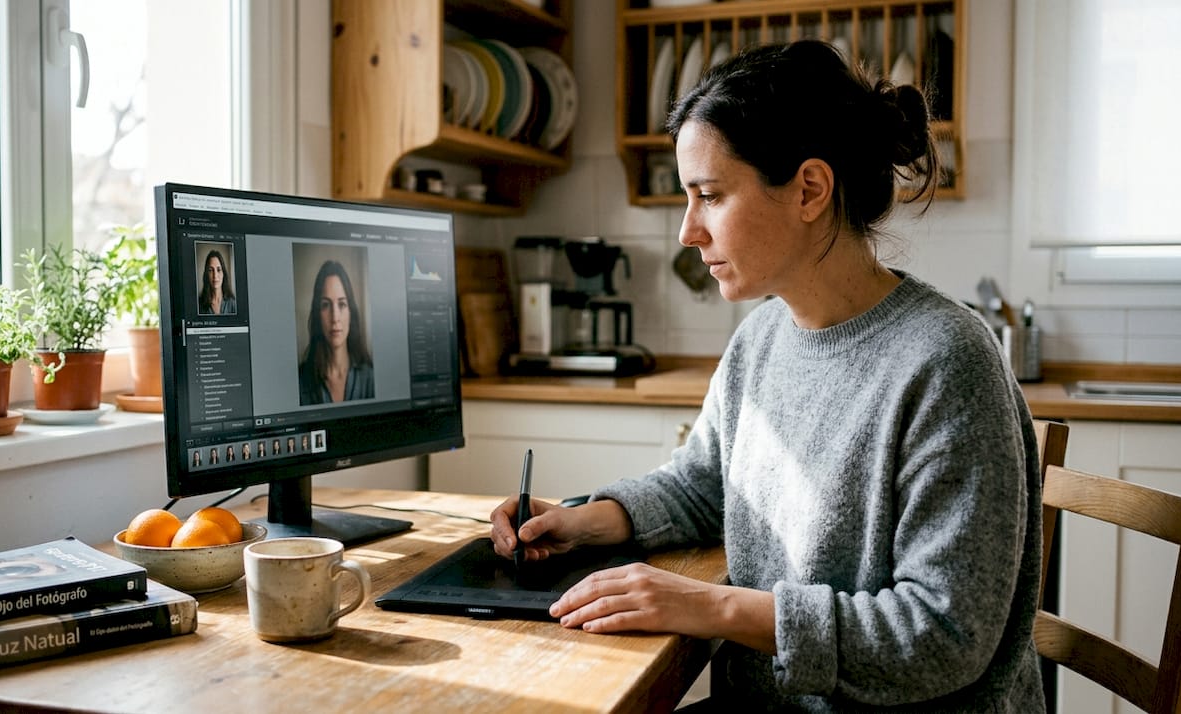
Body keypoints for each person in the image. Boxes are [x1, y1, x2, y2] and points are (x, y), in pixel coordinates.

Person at [490, 40, 1042, 711]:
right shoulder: (762, 339)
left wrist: (713, 607)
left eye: (710, 196)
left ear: (809, 189)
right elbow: (702, 486)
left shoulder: (948, 361)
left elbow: (941, 637)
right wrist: (588, 521)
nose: (689, 232)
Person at [297, 260, 375, 404]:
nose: (335, 318)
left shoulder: (371, 378)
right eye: (326, 305)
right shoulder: (300, 381)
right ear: (317, 314)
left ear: (351, 312)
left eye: (342, 304)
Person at [198, 248, 237, 315]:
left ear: (223, 273)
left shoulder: (233, 303)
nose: (215, 276)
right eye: (211, 270)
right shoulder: (199, 304)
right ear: (206, 274)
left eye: (218, 270)